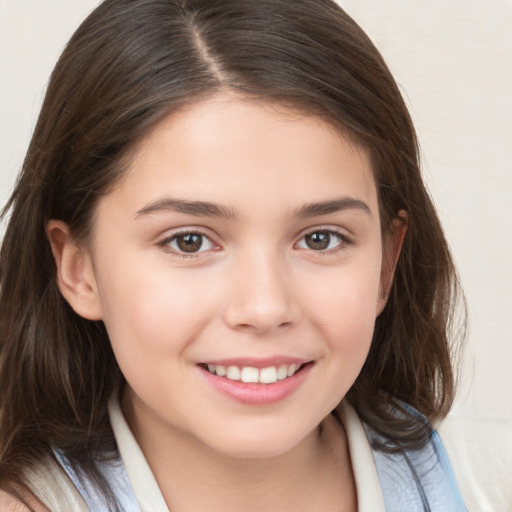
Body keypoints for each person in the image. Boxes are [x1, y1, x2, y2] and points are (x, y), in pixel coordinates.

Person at [0, 0, 504, 510]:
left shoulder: (489, 485)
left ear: (386, 264)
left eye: (320, 238)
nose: (264, 308)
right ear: (78, 268)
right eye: (189, 241)